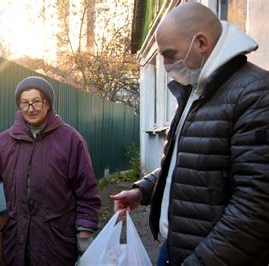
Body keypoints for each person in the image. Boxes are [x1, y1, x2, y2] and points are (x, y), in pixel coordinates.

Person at [110, 2, 269, 265]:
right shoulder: (196, 90)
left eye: (170, 55)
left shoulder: (255, 94)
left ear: (201, 43)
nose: (165, 64)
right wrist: (144, 190)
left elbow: (256, 208)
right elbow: (185, 162)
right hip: (174, 249)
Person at [0, 76, 101, 265]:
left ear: (48, 103)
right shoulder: (5, 141)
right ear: (19, 105)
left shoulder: (70, 140)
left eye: (36, 101)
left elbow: (87, 191)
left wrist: (84, 234)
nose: (31, 108)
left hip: (56, 243)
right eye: (25, 103)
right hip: (17, 242)